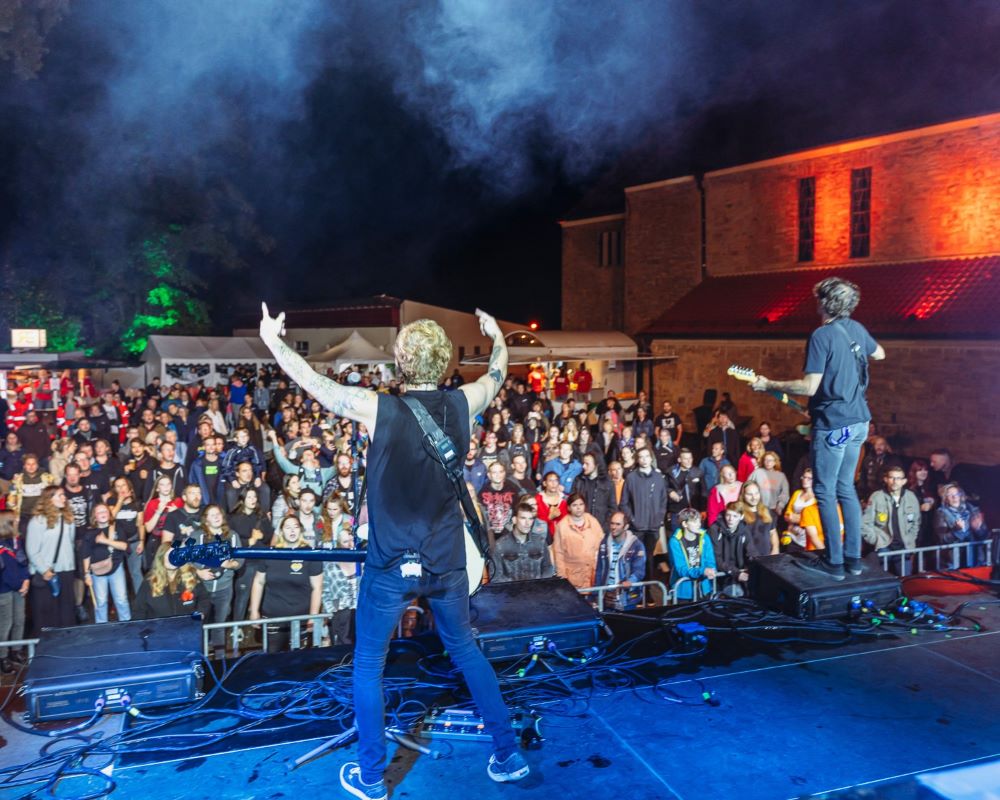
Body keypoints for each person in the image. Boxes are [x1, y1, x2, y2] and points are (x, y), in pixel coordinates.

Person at [259, 303, 529, 797]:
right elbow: (498, 371)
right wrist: (495, 335)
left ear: (401, 365)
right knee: (466, 651)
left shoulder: (377, 407)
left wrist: (275, 342)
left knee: (368, 666)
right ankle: (508, 755)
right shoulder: (463, 402)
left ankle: (370, 779)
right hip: (445, 563)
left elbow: (318, 387)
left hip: (388, 566)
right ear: (445, 364)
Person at [753, 276, 885, 580]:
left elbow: (809, 386)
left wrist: (768, 384)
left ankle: (834, 562)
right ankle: (852, 559)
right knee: (846, 488)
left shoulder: (821, 336)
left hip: (833, 424)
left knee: (825, 490)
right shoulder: (856, 329)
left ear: (825, 303)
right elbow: (879, 354)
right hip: (859, 422)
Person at [25, 486, 77, 633]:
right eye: (60, 495)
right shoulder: (38, 521)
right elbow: (32, 550)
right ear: (49, 499)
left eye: (64, 495)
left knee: (66, 613)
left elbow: (71, 543)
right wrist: (44, 570)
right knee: (47, 615)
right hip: (48, 573)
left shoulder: (68, 518)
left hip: (66, 570)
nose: (64, 498)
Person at [862, 465, 920, 575]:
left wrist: (910, 539)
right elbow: (865, 523)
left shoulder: (911, 497)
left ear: (904, 481)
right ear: (886, 479)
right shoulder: (876, 497)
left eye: (898, 478)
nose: (895, 481)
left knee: (905, 581)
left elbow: (916, 523)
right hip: (883, 547)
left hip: (903, 547)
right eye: (892, 478)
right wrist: (876, 540)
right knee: (881, 581)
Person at [81, 503, 131, 624]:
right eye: (99, 512)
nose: (102, 514)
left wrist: (105, 540)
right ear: (94, 517)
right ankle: (102, 627)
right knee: (101, 602)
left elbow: (125, 546)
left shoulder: (117, 527)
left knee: (121, 600)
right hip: (97, 572)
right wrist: (87, 574)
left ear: (109, 514)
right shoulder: (89, 533)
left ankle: (127, 626)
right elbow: (85, 555)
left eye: (105, 511)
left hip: (116, 568)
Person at [133, 543, 212, 620]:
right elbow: (139, 610)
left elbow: (204, 598)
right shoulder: (150, 581)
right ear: (161, 558)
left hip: (186, 628)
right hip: (160, 630)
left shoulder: (191, 576)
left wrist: (201, 613)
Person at [593, 511, 646, 610]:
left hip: (626, 598)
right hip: (606, 596)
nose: (613, 527)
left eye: (618, 524)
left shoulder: (636, 545)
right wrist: (596, 595)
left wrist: (630, 581)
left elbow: (640, 571)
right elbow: (599, 571)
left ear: (626, 527)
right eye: (612, 523)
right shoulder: (604, 543)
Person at [491, 501, 554, 583]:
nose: (527, 523)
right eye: (523, 518)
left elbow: (548, 569)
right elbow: (496, 577)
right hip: (511, 593)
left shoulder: (540, 542)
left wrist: (539, 586)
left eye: (530, 519)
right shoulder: (500, 545)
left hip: (537, 592)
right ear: (514, 520)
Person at [551, 493, 604, 590]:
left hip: (594, 575)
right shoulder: (562, 526)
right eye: (574, 505)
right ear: (569, 508)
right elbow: (558, 554)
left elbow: (602, 545)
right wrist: (562, 578)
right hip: (573, 577)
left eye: (581, 504)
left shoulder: (593, 521)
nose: (578, 508)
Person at [933, 483, 990, 567]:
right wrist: (957, 531)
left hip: (975, 559)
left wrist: (978, 529)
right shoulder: (941, 513)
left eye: (956, 494)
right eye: (950, 495)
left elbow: (985, 536)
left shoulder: (973, 510)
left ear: (961, 496)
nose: (954, 497)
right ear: (945, 498)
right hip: (953, 562)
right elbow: (943, 539)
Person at [0, 512, 30, 673]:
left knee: (20, 619)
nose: (19, 520)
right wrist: (20, 584)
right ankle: (3, 656)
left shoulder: (17, 540)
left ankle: (16, 650)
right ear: (7, 523)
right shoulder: (1, 545)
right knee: (5, 623)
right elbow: (6, 572)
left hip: (20, 586)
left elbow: (23, 561)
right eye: (15, 519)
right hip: (4, 589)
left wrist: (26, 579)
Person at [668, 508, 717, 601]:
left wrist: (710, 569)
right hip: (683, 591)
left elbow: (710, 560)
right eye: (694, 521)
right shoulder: (675, 541)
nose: (699, 524)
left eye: (699, 521)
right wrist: (702, 571)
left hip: (703, 588)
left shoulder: (705, 537)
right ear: (684, 524)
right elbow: (681, 569)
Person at [708, 503, 752, 597]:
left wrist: (754, 567)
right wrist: (735, 572)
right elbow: (717, 558)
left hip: (739, 573)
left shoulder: (744, 529)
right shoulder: (715, 529)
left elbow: (751, 551)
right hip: (721, 574)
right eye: (728, 515)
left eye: (735, 516)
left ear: (741, 517)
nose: (730, 519)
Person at [738, 481, 778, 558]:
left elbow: (773, 533)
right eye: (750, 494)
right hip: (748, 559)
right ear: (743, 495)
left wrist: (775, 549)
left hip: (767, 557)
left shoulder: (767, 511)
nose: (754, 497)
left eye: (756, 493)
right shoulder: (739, 514)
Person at [572, 452, 612, 528]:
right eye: (583, 463)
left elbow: (612, 507)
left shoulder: (607, 482)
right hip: (580, 526)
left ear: (596, 465)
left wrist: (606, 526)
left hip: (601, 526)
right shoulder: (578, 480)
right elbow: (571, 503)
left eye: (587, 464)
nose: (583, 466)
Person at [747, 451, 790, 520]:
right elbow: (747, 486)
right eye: (766, 460)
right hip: (757, 508)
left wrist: (780, 505)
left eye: (770, 460)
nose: (768, 462)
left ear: (775, 462)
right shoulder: (757, 472)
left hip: (773, 510)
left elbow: (785, 493)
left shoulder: (781, 476)